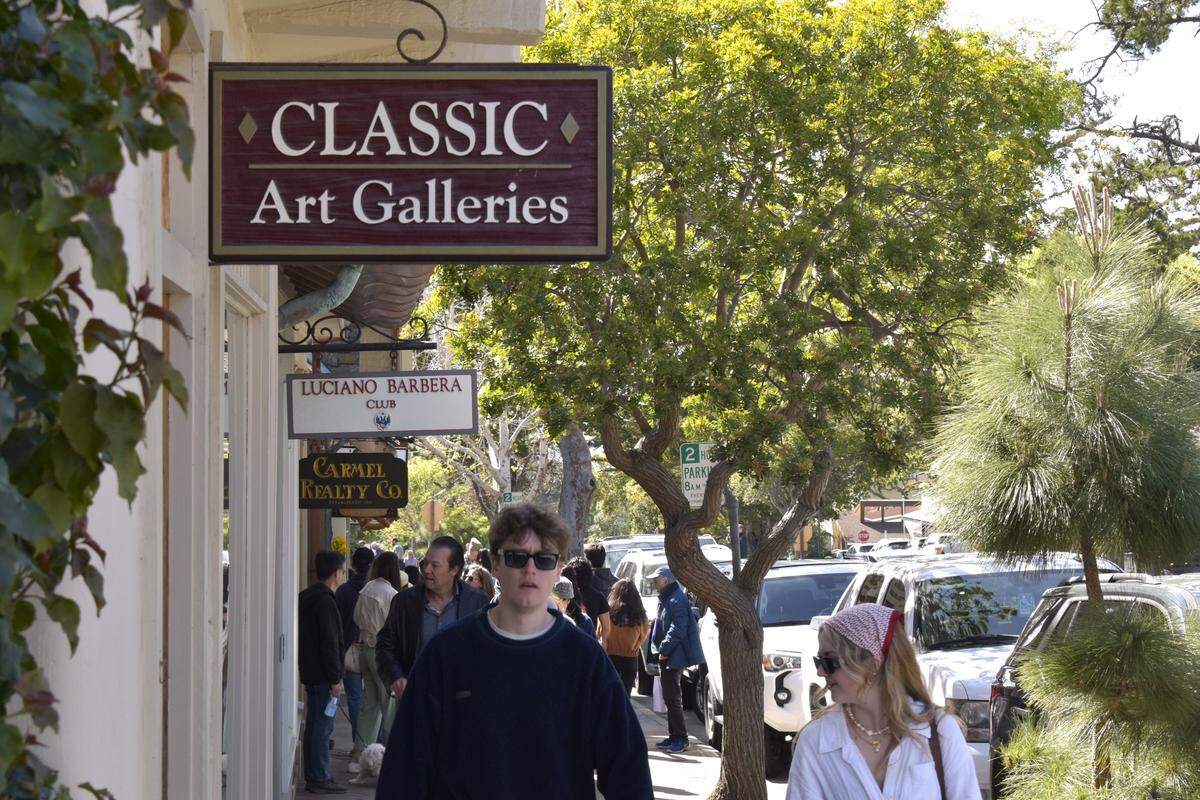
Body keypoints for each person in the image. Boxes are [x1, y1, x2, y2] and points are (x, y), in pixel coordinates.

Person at [376, 503, 653, 799]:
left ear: (559, 569)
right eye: (517, 557)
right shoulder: (445, 654)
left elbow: (628, 771)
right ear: (495, 563)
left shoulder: (585, 660)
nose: (530, 569)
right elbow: (405, 770)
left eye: (544, 559)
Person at [786, 603, 980, 800]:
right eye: (819, 662)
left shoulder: (940, 732)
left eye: (829, 661)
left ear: (872, 662)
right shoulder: (816, 741)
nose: (820, 671)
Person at [375, 535, 488, 706]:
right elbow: (385, 644)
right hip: (416, 702)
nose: (426, 570)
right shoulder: (404, 601)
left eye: (434, 565)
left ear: (454, 569)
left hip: (464, 706)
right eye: (424, 563)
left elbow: (488, 651)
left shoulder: (477, 602)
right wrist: (396, 677)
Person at [351, 552, 408, 771]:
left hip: (365, 648)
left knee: (370, 704)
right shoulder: (392, 594)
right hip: (381, 654)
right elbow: (394, 626)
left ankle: (359, 754)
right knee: (389, 705)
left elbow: (356, 618)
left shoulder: (366, 589)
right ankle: (394, 755)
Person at [298, 550, 348, 795]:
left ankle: (315, 774)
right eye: (341, 570)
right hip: (323, 675)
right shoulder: (326, 601)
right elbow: (329, 642)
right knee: (321, 727)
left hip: (310, 670)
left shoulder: (307, 597)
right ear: (336, 573)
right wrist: (335, 677)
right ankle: (319, 776)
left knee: (315, 726)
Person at [649, 565, 705, 753]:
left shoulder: (676, 599)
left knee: (673, 698)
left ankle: (681, 738)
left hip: (673, 655)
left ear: (665, 580)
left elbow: (678, 629)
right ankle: (674, 736)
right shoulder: (668, 598)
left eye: (656, 580)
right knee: (669, 697)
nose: (654, 584)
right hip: (668, 654)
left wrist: (664, 649)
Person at [335, 546, 374, 760]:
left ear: (353, 564)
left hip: (349, 650)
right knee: (373, 701)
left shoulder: (343, 591)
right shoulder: (375, 590)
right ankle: (370, 746)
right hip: (372, 650)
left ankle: (358, 745)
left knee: (355, 699)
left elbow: (338, 624)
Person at [604, 579, 650, 696]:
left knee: (610, 693)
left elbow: (602, 630)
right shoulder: (640, 613)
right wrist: (637, 644)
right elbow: (645, 632)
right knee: (626, 695)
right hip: (630, 657)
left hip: (611, 656)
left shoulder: (609, 610)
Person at [563, 556, 611, 643]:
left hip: (567, 639)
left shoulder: (565, 595)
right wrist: (603, 643)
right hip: (590, 640)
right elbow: (606, 627)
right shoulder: (598, 596)